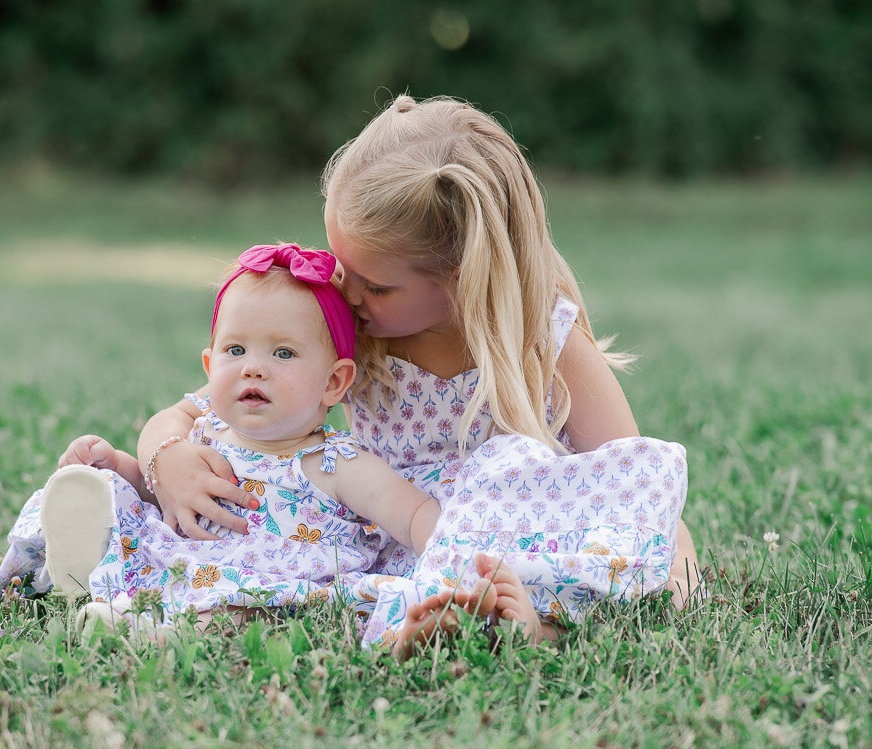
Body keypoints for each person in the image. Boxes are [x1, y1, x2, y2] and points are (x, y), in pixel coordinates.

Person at [137, 96, 699, 651]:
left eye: (375, 285)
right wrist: (166, 455)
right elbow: (208, 405)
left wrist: (679, 576)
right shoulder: (350, 327)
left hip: (506, 539)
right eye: (341, 264)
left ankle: (523, 620)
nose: (345, 292)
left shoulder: (544, 342)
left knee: (518, 481)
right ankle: (436, 618)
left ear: (463, 274)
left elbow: (637, 480)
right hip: (394, 538)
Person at [0, 244, 442, 640]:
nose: (253, 368)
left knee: (240, 612)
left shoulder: (339, 465)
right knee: (112, 494)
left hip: (262, 588)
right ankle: (86, 565)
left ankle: (153, 631)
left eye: (283, 353)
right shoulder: (203, 433)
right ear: (209, 365)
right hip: (179, 559)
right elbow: (160, 496)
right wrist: (116, 466)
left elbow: (415, 513)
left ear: (334, 382)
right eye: (236, 350)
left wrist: (448, 559)